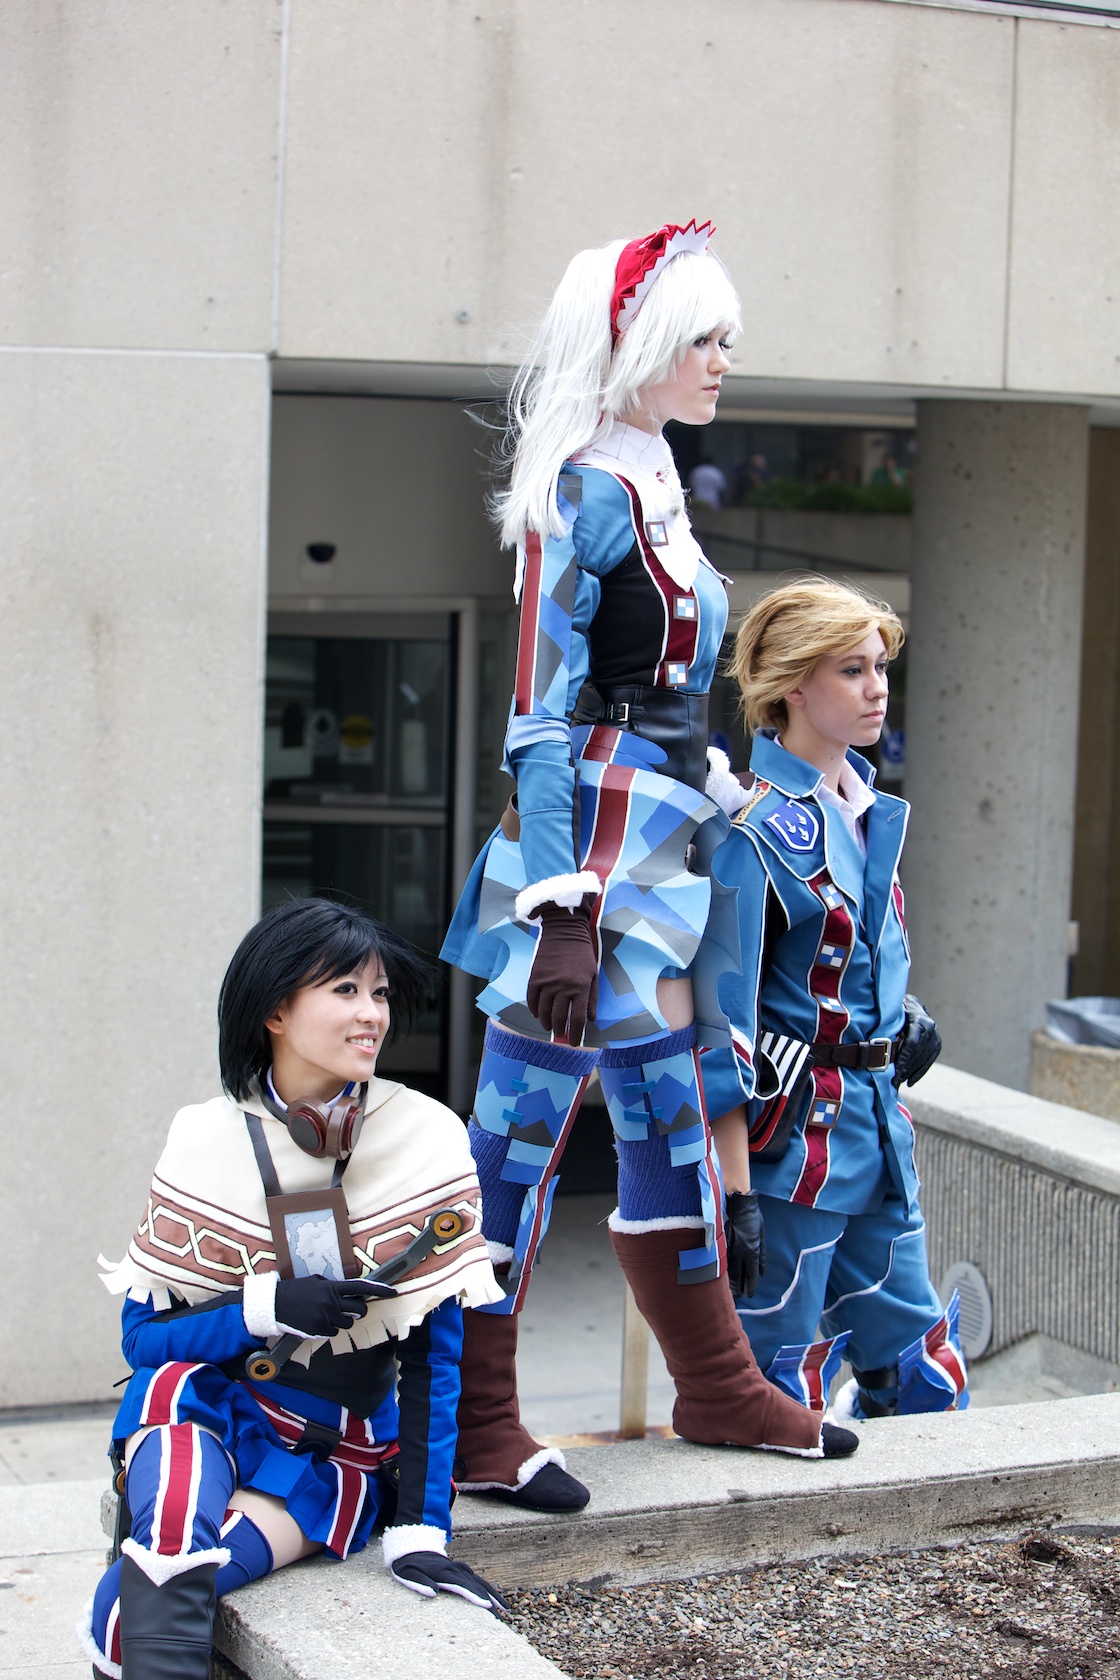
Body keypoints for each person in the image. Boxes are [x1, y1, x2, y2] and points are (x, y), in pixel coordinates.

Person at [441, 221, 857, 1516]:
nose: (723, 360)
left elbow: (667, 695)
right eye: (702, 339)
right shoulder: (582, 490)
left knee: (667, 1120)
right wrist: (560, 907)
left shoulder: (653, 474)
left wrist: (734, 788)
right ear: (638, 346)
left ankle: (717, 1386)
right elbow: (540, 718)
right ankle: (472, 1421)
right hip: (587, 855)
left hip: (660, 843)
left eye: (727, 339)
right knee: (519, 1136)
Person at [86, 899, 507, 1680]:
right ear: (275, 1011)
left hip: (329, 1449)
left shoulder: (426, 1140)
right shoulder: (203, 1137)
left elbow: (434, 1363)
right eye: (345, 990)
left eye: (379, 993)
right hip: (201, 1407)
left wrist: (421, 1530)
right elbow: (143, 1342)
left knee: (126, 1613)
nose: (372, 1014)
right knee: (171, 1530)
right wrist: (264, 1306)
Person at [700, 579, 968, 1426]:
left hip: (879, 1136)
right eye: (851, 669)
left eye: (880, 666)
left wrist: (904, 1014)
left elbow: (850, 963)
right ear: (790, 684)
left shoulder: (867, 810)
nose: (877, 687)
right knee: (778, 1393)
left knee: (927, 1379)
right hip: (790, 1159)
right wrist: (736, 1195)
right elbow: (723, 1025)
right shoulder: (753, 832)